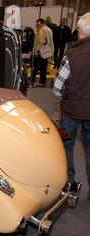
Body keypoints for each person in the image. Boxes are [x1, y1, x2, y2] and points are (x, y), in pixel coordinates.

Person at [53, 12, 90, 198]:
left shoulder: (72, 55)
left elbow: (57, 86)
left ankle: (69, 181)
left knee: (66, 145)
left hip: (72, 110)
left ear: (79, 31)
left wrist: (61, 97)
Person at [31, 18, 48, 87]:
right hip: (42, 51)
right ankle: (39, 80)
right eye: (36, 25)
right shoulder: (44, 29)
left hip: (40, 52)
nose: (37, 26)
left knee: (39, 66)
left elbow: (41, 42)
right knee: (41, 66)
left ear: (42, 24)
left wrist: (37, 51)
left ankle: (40, 81)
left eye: (38, 25)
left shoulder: (42, 30)